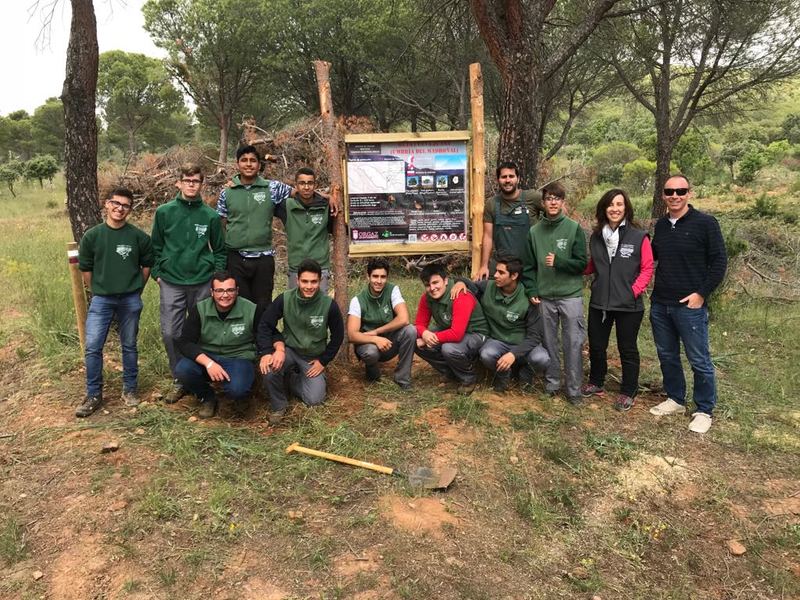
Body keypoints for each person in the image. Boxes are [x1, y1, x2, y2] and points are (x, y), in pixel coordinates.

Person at [648, 174, 727, 433]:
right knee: (667, 354)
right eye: (669, 192)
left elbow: (719, 263)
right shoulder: (661, 226)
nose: (675, 196)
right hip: (661, 303)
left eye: (680, 191)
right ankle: (676, 399)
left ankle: (704, 409)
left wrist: (701, 294)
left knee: (698, 358)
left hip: (690, 306)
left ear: (689, 193)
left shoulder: (706, 223)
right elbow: (651, 257)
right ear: (663, 196)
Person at [151, 163, 226, 404]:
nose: (192, 184)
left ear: (201, 184)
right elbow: (155, 247)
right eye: (187, 180)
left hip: (202, 281)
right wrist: (157, 273)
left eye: (196, 181)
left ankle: (201, 377)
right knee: (171, 332)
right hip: (171, 281)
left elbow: (220, 250)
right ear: (179, 183)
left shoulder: (210, 216)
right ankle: (179, 379)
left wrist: (215, 275)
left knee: (201, 332)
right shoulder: (164, 212)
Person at [76, 188, 153, 417]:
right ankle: (93, 395)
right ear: (107, 205)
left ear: (130, 209)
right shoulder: (93, 236)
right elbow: (86, 269)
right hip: (102, 299)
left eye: (125, 205)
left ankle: (129, 390)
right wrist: (98, 290)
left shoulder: (138, 237)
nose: (120, 208)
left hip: (130, 298)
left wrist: (137, 289)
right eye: (115, 203)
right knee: (93, 346)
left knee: (129, 345)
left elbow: (147, 266)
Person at [582, 189, 654, 412]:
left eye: (619, 204)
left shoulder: (638, 236)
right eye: (610, 205)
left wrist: (633, 291)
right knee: (596, 345)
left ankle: (628, 390)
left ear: (626, 208)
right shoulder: (596, 237)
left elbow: (647, 267)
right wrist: (570, 266)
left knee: (627, 348)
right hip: (600, 301)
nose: (615, 208)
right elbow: (593, 265)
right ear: (604, 209)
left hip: (628, 305)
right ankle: (596, 382)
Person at [522, 181, 588, 406]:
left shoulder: (573, 228)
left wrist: (559, 262)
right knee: (550, 343)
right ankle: (552, 383)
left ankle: (574, 389)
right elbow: (529, 266)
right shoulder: (534, 231)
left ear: (563, 202)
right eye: (549, 198)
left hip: (570, 295)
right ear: (543, 202)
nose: (553, 202)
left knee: (573, 342)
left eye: (557, 199)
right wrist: (531, 289)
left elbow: (582, 264)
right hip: (545, 296)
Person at [258, 259, 344, 426]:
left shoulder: (328, 305)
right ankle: (279, 405)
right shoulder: (285, 299)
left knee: (314, 400)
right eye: (305, 281)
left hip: (313, 357)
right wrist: (268, 351)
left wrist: (323, 361)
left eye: (313, 282)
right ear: (297, 280)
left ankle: (290, 380)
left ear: (320, 281)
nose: (309, 286)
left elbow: (338, 336)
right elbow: (265, 325)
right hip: (289, 350)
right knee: (269, 368)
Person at [452, 254, 550, 393]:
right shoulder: (489, 286)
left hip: (522, 343)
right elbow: (469, 284)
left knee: (542, 358)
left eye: (501, 272)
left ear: (514, 276)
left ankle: (525, 375)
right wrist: (460, 282)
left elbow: (534, 337)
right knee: (486, 354)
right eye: (496, 271)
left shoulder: (529, 298)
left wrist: (513, 354)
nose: (496, 275)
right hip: (497, 341)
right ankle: (503, 375)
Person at [173, 272, 258, 418]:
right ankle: (207, 397)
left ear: (237, 291)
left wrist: (276, 349)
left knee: (238, 389)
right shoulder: (200, 309)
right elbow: (185, 341)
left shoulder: (251, 309)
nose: (225, 295)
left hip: (238, 357)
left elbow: (266, 334)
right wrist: (209, 363)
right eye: (219, 290)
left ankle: (234, 397)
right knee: (182, 369)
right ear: (212, 292)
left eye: (230, 290)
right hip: (208, 356)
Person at [414, 264, 489, 394]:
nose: (432, 288)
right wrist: (424, 333)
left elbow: (457, 334)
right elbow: (419, 324)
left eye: (435, 282)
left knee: (449, 348)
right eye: (427, 285)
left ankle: (469, 378)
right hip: (449, 330)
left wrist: (430, 338)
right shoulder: (426, 298)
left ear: (446, 280)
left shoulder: (460, 295)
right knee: (414, 341)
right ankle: (451, 372)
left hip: (475, 333)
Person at [347, 257, 416, 390]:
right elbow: (352, 335)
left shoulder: (393, 290)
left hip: (389, 341)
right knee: (370, 353)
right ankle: (372, 372)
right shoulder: (357, 300)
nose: (379, 281)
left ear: (387, 277)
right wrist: (375, 338)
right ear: (368, 276)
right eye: (375, 276)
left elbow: (404, 319)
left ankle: (402, 377)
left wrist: (377, 331)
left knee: (410, 330)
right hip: (368, 344)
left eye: (383, 277)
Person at [475, 161, 542, 280]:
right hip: (502, 266)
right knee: (483, 287)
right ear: (498, 179)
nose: (507, 180)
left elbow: (557, 211)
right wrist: (484, 265)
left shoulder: (532, 197)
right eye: (503, 177)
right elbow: (488, 237)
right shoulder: (492, 204)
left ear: (518, 178)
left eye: (511, 176)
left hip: (530, 265)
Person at [280, 167, 334, 293]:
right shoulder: (286, 206)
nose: (306, 187)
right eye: (302, 183)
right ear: (296, 185)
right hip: (296, 268)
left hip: (320, 266)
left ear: (315, 185)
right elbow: (269, 192)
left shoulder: (325, 206)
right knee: (295, 306)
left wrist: (329, 197)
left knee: (320, 308)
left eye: (310, 183)